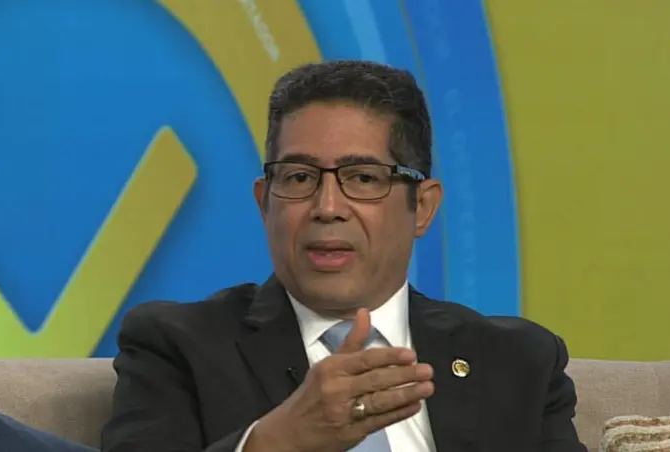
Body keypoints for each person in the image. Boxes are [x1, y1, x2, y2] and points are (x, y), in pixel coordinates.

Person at [100, 60, 587, 452]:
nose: (327, 207)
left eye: (364, 178)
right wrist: (277, 442)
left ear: (422, 207)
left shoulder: (517, 362)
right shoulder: (177, 346)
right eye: (299, 177)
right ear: (264, 203)